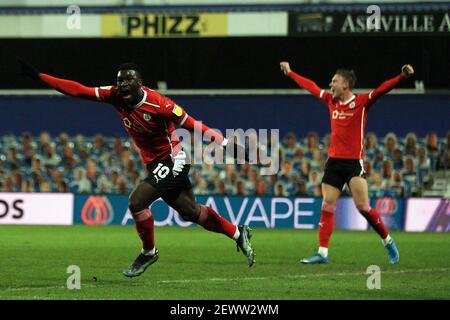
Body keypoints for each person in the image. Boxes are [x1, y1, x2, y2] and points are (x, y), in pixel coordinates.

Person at [19, 60, 255, 277]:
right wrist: (41, 77)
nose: (122, 84)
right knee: (191, 212)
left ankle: (149, 252)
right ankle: (237, 232)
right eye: (120, 79)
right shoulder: (114, 95)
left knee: (136, 202)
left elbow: (195, 125)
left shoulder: (161, 104)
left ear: (140, 83)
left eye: (128, 79)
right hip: (155, 164)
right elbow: (79, 90)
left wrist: (225, 144)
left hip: (173, 160)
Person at [280, 61, 414, 264]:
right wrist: (291, 73)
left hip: (353, 163)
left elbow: (381, 90)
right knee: (327, 205)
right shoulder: (330, 101)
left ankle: (388, 241)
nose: (330, 84)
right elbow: (311, 86)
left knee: (363, 207)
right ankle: (322, 253)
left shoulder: (361, 102)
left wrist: (401, 76)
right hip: (334, 162)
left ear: (345, 85)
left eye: (334, 81)